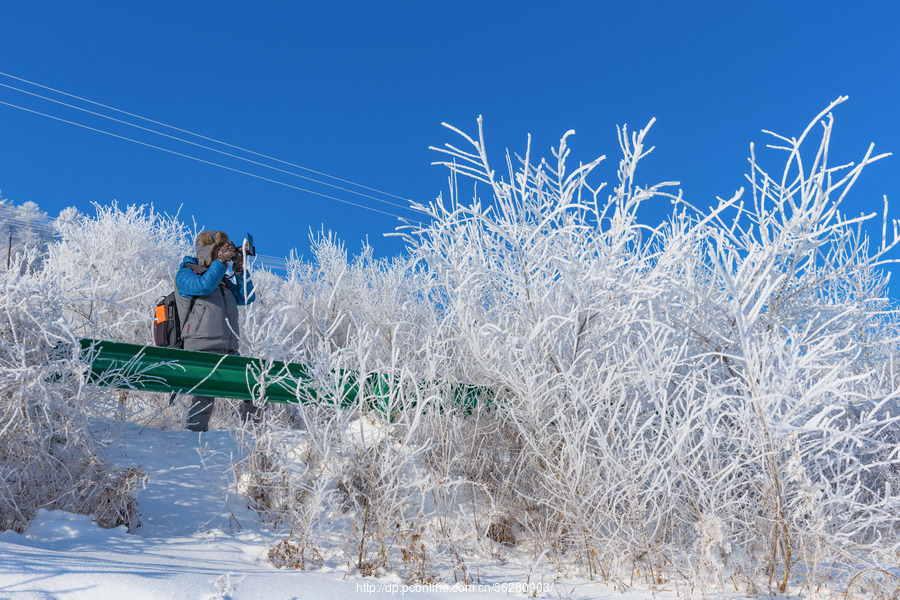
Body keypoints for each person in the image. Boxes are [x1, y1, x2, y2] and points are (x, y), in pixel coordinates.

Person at [175, 230, 258, 432]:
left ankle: (252, 437)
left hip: (229, 349)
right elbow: (204, 286)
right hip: (200, 347)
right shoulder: (186, 272)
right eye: (220, 250)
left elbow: (247, 298)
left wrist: (239, 269)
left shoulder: (222, 279)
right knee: (204, 397)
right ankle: (193, 439)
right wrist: (220, 262)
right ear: (207, 250)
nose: (224, 255)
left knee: (254, 386)